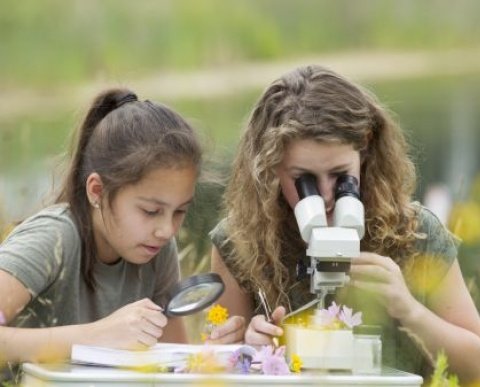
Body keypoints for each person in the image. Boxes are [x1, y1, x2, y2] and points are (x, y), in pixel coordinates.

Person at [208, 65, 480, 382]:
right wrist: (246, 349)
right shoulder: (240, 241)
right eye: (304, 180)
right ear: (271, 166)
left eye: (340, 176)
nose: (325, 196)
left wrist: (410, 311)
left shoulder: (417, 233)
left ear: (364, 149)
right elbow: (216, 367)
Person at [0, 88, 202, 378]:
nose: (167, 230)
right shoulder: (51, 239)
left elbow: (176, 367)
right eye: (150, 211)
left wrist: (218, 353)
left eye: (180, 211)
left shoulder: (156, 248)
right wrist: (95, 336)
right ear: (97, 190)